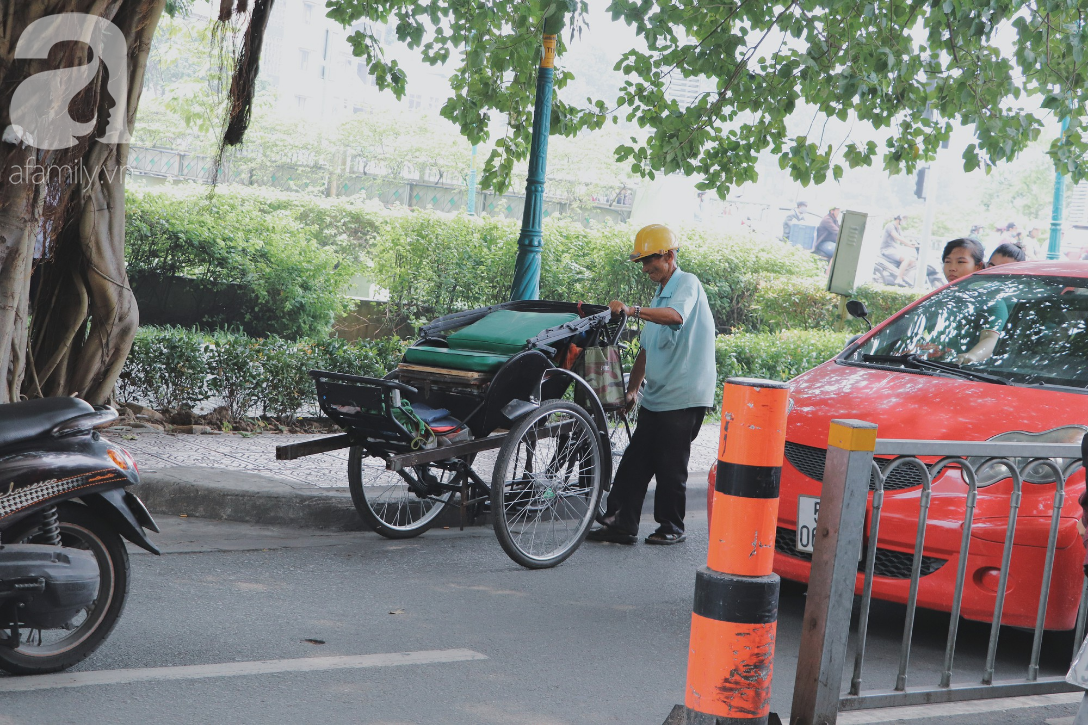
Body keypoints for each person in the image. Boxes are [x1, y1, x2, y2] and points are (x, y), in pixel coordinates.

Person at [587, 224, 716, 546]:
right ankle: (620, 522)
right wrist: (632, 389)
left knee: (670, 465)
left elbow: (675, 317)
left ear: (670, 256)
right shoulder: (661, 294)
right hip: (658, 396)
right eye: (642, 263)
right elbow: (646, 350)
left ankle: (672, 526)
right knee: (635, 460)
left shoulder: (688, 284)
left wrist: (632, 310)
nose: (646, 269)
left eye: (650, 261)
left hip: (684, 395)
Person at [940, 238, 1008, 364]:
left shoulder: (991, 301)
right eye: (947, 261)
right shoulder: (941, 298)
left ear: (979, 267)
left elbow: (990, 339)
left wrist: (973, 356)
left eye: (961, 262)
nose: (952, 268)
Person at [880, 214, 917, 286]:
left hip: (893, 248)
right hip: (887, 249)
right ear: (898, 218)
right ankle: (899, 278)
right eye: (904, 218)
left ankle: (902, 274)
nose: (904, 220)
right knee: (906, 259)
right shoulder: (890, 226)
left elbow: (902, 238)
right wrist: (909, 244)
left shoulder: (898, 228)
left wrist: (912, 243)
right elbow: (897, 237)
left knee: (912, 260)